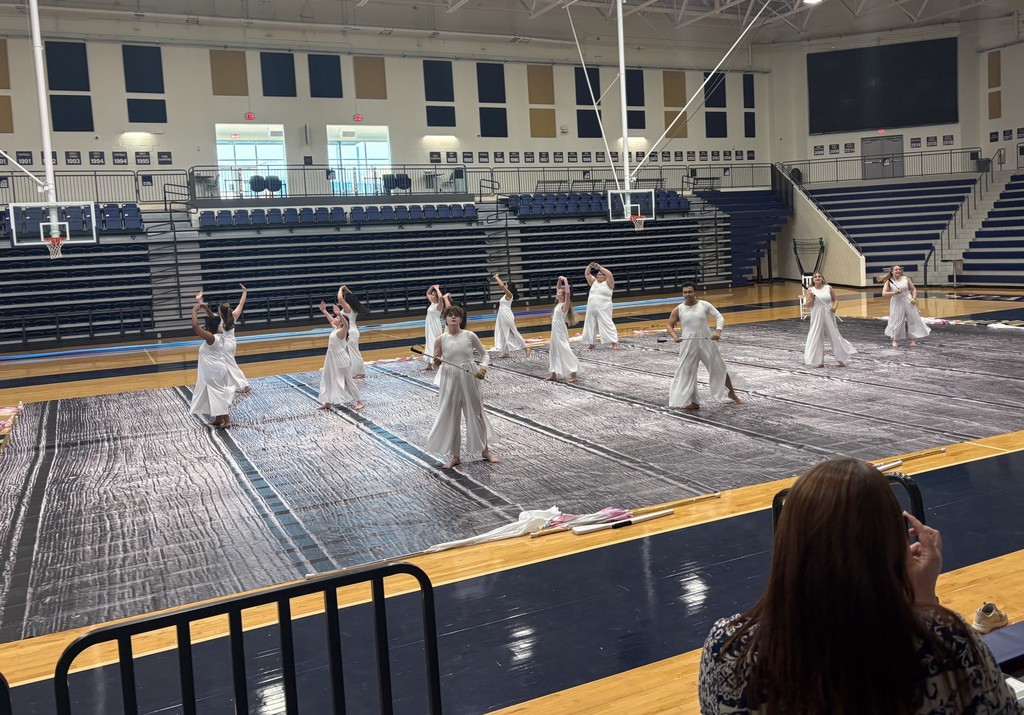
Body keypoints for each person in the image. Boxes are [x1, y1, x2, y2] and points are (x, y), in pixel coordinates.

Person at [699, 457, 1023, 715]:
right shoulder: (948, 643)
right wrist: (924, 600)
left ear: (787, 544)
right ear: (894, 546)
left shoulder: (726, 650)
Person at [425, 304, 497, 468]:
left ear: (461, 319)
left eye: (457, 315)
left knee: (477, 414)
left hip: (470, 377)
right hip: (449, 380)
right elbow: (436, 364)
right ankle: (455, 456)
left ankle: (485, 450)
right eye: (450, 315)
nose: (453, 317)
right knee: (452, 417)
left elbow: (485, 354)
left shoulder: (470, 336)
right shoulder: (440, 339)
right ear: (446, 319)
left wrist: (483, 368)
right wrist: (436, 361)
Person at [666, 283, 743, 410]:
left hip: (707, 343)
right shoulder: (678, 309)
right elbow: (669, 325)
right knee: (687, 372)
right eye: (685, 292)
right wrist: (675, 336)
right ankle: (694, 402)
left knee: (720, 368)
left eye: (690, 292)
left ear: (695, 293)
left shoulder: (704, 305)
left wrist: (718, 332)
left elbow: (719, 317)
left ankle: (732, 394)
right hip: (688, 345)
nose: (687, 295)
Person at [189, 299, 235, 429]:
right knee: (213, 393)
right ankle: (218, 418)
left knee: (218, 393)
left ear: (208, 329)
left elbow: (195, 327)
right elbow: (215, 320)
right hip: (217, 369)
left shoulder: (211, 338)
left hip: (214, 371)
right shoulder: (219, 334)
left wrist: (194, 311)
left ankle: (227, 420)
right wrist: (205, 309)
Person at [200, 285, 251, 394]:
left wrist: (202, 304)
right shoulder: (234, 316)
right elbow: (241, 304)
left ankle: (244, 384)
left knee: (231, 365)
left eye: (218, 310)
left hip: (224, 345)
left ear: (221, 312)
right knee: (228, 364)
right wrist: (245, 292)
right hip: (232, 343)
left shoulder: (219, 320)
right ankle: (233, 384)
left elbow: (210, 314)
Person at [316, 300, 364, 411]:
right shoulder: (336, 329)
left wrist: (339, 314)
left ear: (341, 322)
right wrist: (324, 311)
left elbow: (346, 324)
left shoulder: (342, 331)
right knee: (327, 378)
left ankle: (359, 402)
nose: (335, 319)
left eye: (337, 318)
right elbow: (331, 320)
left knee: (348, 380)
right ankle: (327, 402)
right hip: (330, 358)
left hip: (341, 358)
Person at [803, 271, 856, 367]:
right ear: (813, 280)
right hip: (816, 314)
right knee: (816, 335)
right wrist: (812, 298)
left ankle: (841, 358)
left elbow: (835, 299)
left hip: (828, 313)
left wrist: (834, 307)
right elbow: (808, 305)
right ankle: (818, 361)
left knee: (834, 334)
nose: (818, 278)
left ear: (822, 278)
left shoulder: (828, 288)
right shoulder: (810, 290)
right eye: (815, 277)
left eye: (819, 276)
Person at [882, 264, 930, 348]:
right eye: (896, 269)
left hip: (908, 300)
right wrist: (895, 293)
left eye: (899, 269)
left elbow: (913, 289)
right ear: (892, 271)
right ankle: (895, 340)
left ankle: (913, 340)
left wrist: (914, 298)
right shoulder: (889, 281)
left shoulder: (906, 279)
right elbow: (884, 293)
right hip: (896, 302)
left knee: (913, 319)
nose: (898, 271)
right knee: (896, 320)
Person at [546, 275, 580, 383]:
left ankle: (574, 374)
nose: (557, 293)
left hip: (560, 331)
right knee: (553, 350)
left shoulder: (564, 306)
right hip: (555, 331)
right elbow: (558, 288)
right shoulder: (559, 304)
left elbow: (568, 294)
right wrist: (559, 281)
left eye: (559, 293)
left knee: (565, 350)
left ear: (563, 296)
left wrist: (565, 281)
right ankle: (553, 373)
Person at [580, 262, 619, 350]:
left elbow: (609, 274)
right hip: (591, 308)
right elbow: (587, 274)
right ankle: (591, 344)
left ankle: (614, 343)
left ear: (605, 277)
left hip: (604, 308)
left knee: (607, 324)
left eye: (601, 274)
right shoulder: (594, 282)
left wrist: (599, 267)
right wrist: (589, 266)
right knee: (589, 325)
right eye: (598, 274)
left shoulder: (609, 283)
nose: (599, 276)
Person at [492, 273, 531, 358]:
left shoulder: (509, 294)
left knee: (514, 332)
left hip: (507, 315)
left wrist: (497, 277)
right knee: (502, 332)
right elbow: (503, 287)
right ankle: (506, 352)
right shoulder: (506, 295)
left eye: (506, 285)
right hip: (502, 315)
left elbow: (502, 286)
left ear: (508, 287)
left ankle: (526, 348)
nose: (505, 286)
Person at [336, 284, 367, 378]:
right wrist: (346, 289)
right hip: (352, 330)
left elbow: (340, 299)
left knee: (354, 352)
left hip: (351, 331)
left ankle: (360, 372)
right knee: (350, 352)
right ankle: (353, 371)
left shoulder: (348, 307)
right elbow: (352, 296)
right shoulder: (354, 306)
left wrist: (341, 288)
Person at [423, 284, 451, 371]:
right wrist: (432, 287)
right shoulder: (432, 303)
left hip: (435, 325)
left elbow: (440, 297)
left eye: (433, 294)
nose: (431, 296)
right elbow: (427, 293)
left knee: (434, 342)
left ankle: (436, 362)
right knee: (428, 342)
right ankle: (429, 364)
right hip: (429, 325)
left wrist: (437, 289)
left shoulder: (439, 306)